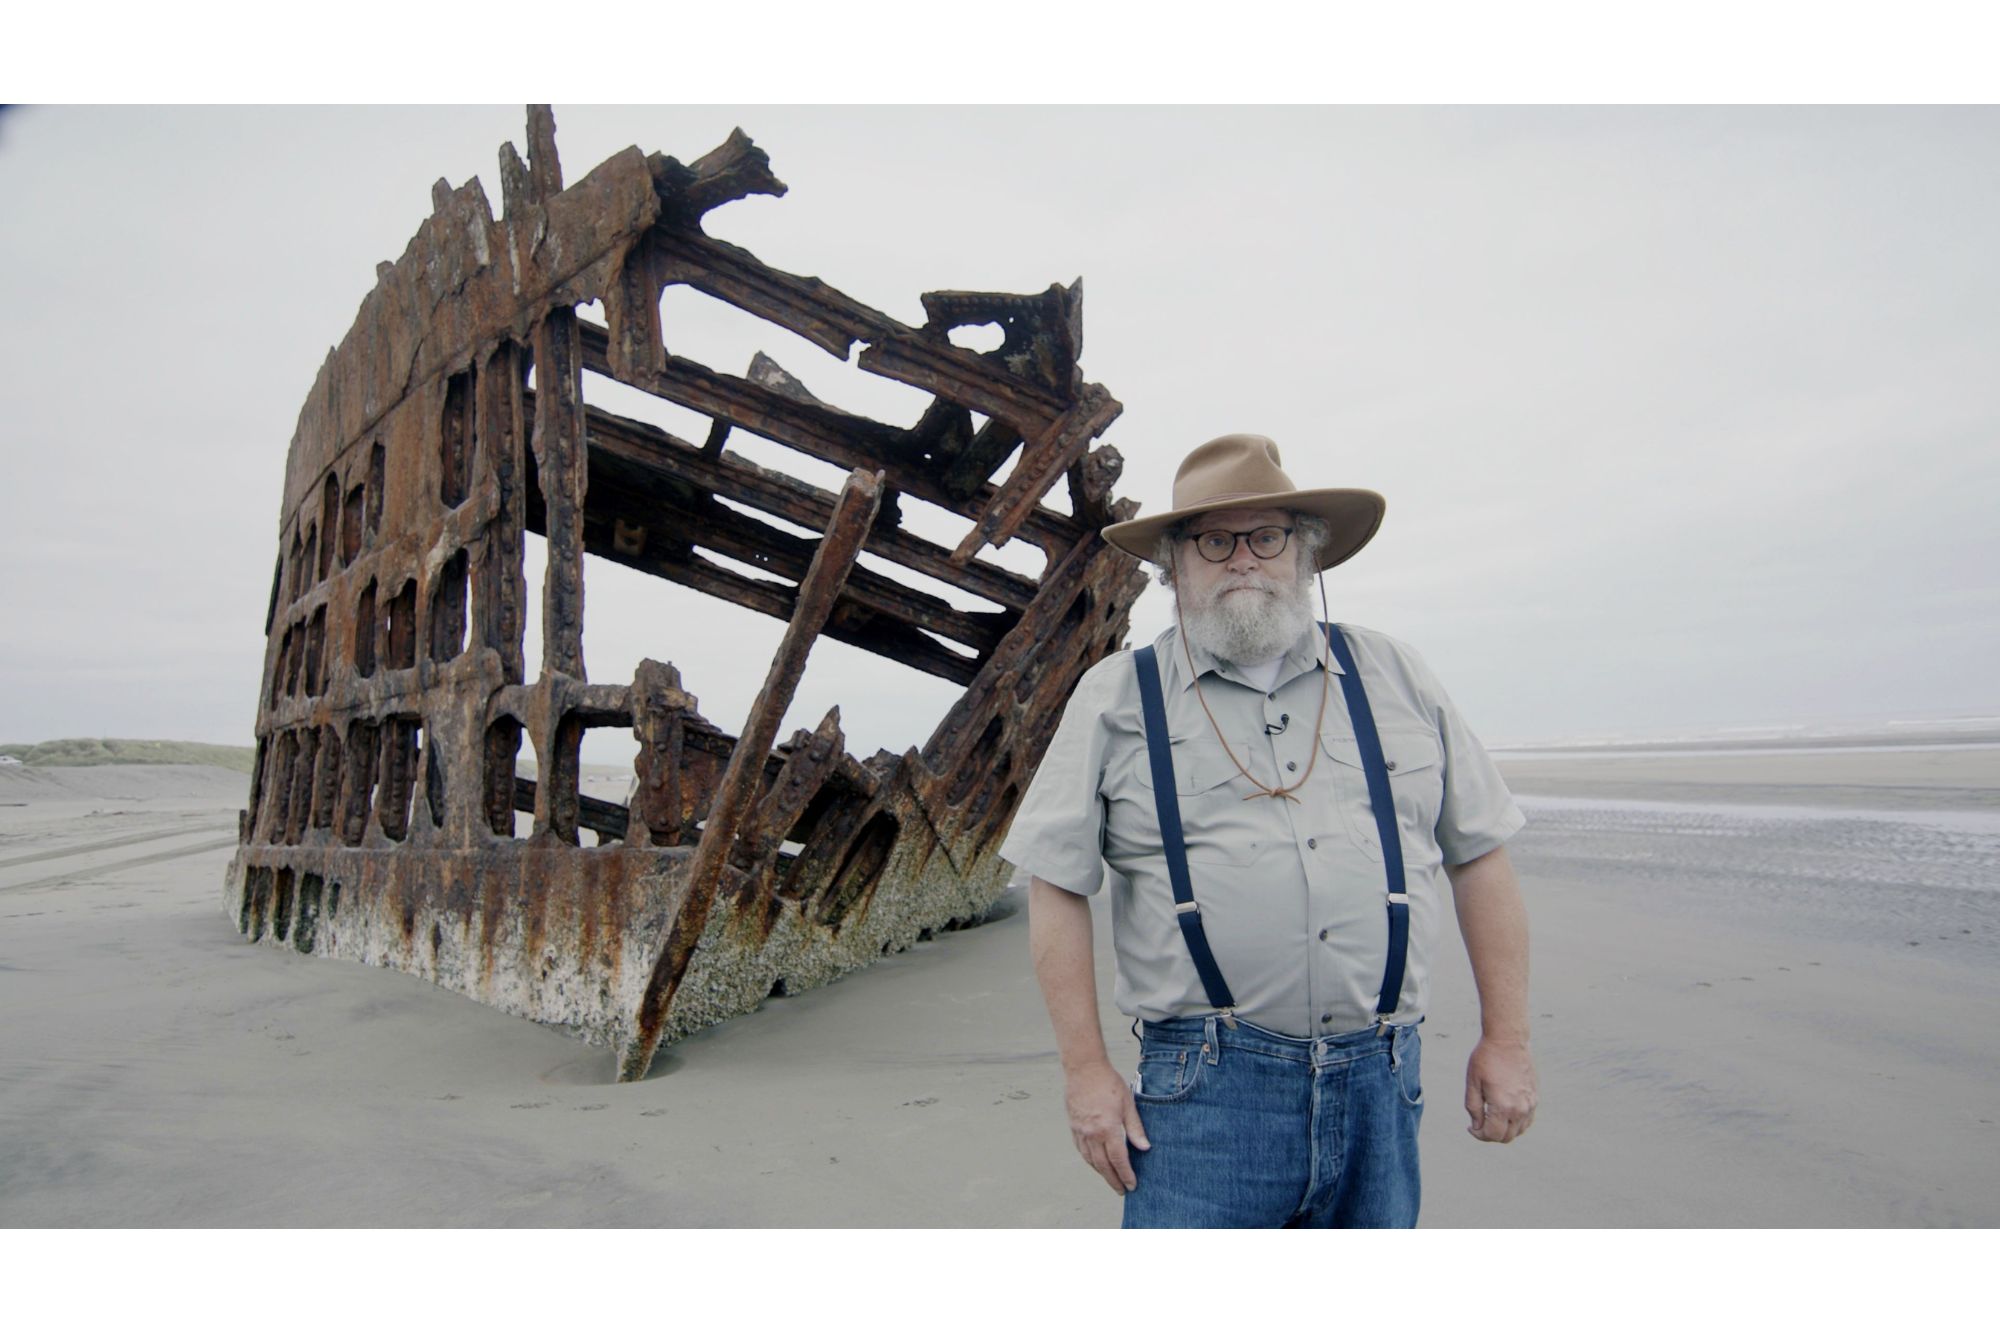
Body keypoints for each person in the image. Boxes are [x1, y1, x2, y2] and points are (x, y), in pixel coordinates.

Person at [998, 432, 1536, 1228]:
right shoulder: (1115, 699)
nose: (1242, 558)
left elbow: (1480, 856)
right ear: (1173, 565)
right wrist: (1085, 1070)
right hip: (1201, 1094)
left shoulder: (1395, 674)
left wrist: (1510, 1038)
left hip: (1382, 1083)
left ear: (1304, 556)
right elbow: (1056, 885)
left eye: (1267, 536)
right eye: (1214, 540)